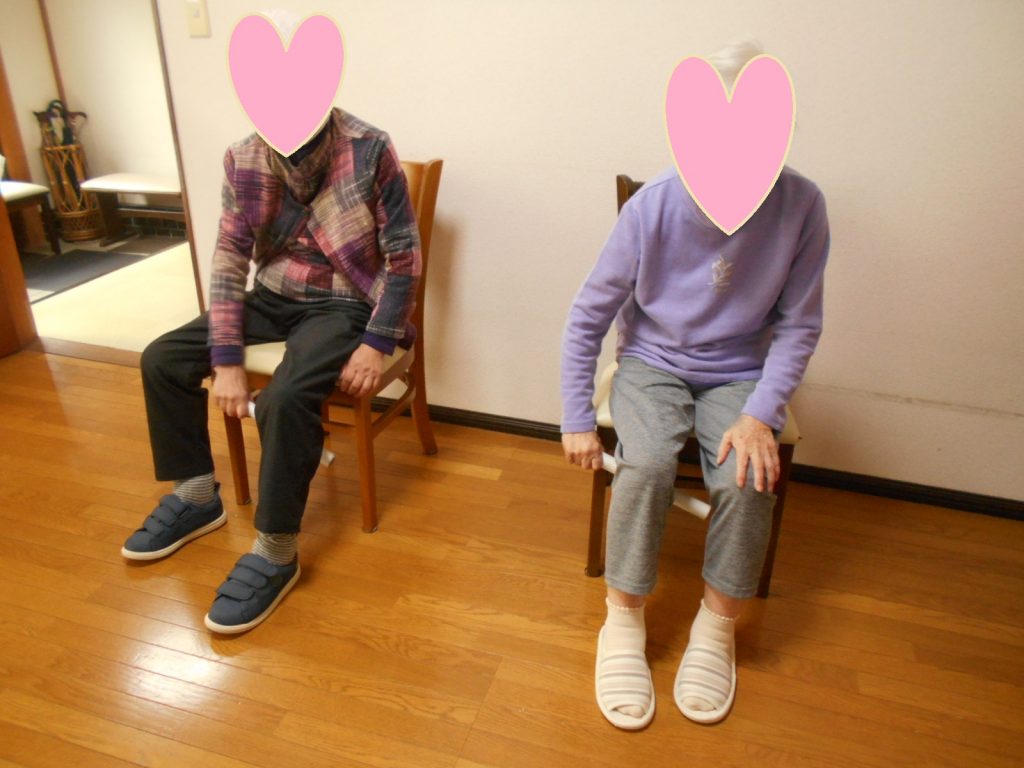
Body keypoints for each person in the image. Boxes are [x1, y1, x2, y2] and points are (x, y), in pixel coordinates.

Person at [560, 42, 829, 728]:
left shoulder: (803, 205)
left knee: (747, 473)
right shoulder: (652, 206)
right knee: (648, 463)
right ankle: (623, 616)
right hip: (652, 361)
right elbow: (588, 315)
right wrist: (576, 417)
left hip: (741, 369)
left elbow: (800, 325)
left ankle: (717, 624)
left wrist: (761, 413)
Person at [121, 107, 421, 634]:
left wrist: (377, 343)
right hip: (272, 295)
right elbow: (229, 260)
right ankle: (196, 496)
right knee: (162, 359)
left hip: (345, 303)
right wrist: (226, 358)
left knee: (285, 397)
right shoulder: (243, 158)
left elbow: (404, 258)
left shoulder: (369, 148)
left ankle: (277, 550)